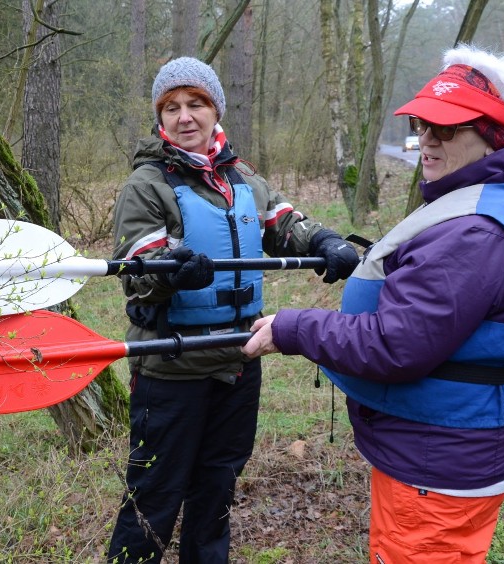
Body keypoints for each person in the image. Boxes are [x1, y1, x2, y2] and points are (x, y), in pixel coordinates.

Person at [242, 44, 504, 563]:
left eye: (446, 129)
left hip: (439, 460)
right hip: (470, 443)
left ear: (492, 136)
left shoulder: (474, 235)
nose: (427, 139)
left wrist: (294, 327)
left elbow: (395, 345)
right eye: (424, 124)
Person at [106, 57, 359, 563]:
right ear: (162, 118)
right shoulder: (147, 184)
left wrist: (327, 240)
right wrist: (169, 268)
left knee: (217, 490)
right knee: (153, 499)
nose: (185, 117)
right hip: (173, 369)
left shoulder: (242, 177)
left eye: (195, 103)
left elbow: (286, 221)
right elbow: (139, 268)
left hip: (239, 363)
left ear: (214, 110)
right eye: (172, 107)